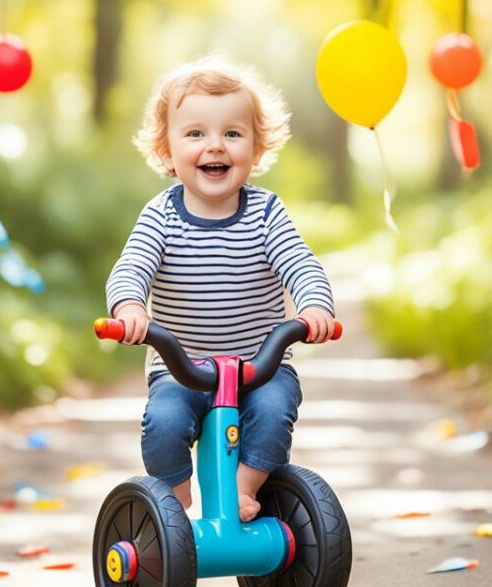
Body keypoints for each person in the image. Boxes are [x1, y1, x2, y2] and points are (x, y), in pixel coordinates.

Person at [105, 55, 336, 522]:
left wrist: (314, 306)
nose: (216, 146)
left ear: (256, 147)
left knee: (275, 411)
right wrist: (130, 307)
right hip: (181, 368)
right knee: (164, 422)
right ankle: (173, 501)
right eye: (196, 134)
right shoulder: (162, 216)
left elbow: (301, 264)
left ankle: (244, 488)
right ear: (167, 151)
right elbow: (131, 267)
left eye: (232, 133)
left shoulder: (266, 213)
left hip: (259, 368)